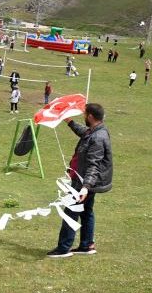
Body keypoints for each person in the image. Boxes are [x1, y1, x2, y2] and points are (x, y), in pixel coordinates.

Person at [48, 103, 112, 258]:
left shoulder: (97, 137)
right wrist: (69, 121)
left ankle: (63, 248)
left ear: (90, 116)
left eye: (84, 114)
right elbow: (84, 132)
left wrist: (85, 187)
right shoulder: (96, 131)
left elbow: (93, 165)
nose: (83, 116)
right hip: (86, 181)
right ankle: (87, 245)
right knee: (86, 212)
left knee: (71, 211)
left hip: (85, 182)